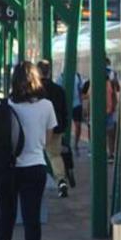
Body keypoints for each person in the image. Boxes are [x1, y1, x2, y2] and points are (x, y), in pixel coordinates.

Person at [0, 62, 57, 240]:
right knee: (32, 218)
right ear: (36, 80)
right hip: (34, 167)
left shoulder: (6, 105)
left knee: (6, 215)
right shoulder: (46, 106)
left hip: (7, 169)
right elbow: (48, 140)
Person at [37, 61, 70, 198]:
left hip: (37, 128)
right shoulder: (58, 89)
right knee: (55, 156)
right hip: (55, 128)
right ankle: (61, 180)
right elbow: (64, 110)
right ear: (49, 72)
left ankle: (37, 183)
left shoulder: (34, 90)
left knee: (34, 155)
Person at [80, 58, 120, 163]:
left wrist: (113, 108)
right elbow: (88, 98)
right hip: (99, 112)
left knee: (108, 133)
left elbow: (115, 94)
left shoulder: (109, 82)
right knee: (103, 133)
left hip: (107, 111)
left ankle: (110, 153)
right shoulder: (93, 82)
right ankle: (102, 152)